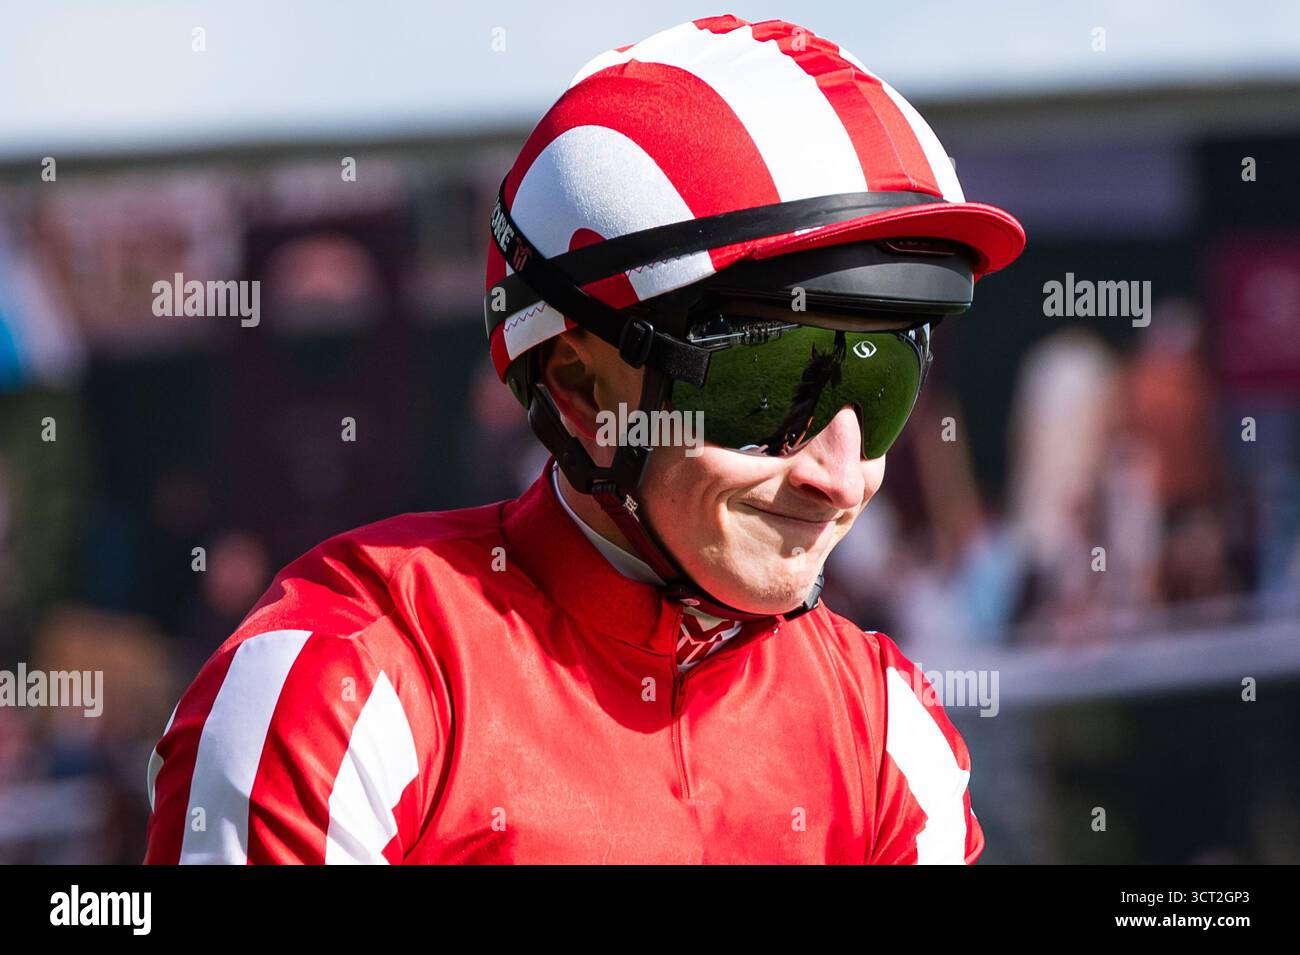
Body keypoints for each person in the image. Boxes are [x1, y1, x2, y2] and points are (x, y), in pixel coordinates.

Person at [144, 14, 1025, 864]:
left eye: (881, 382)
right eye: (767, 388)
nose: (842, 476)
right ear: (578, 391)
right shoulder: (338, 686)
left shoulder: (890, 737)